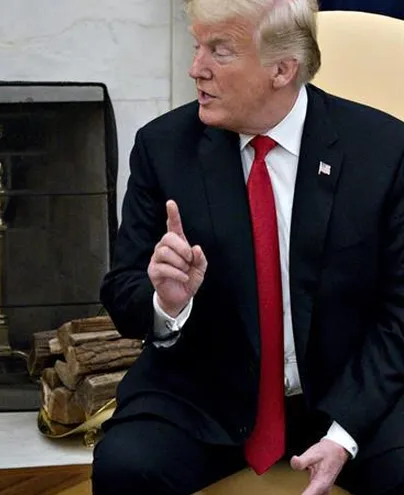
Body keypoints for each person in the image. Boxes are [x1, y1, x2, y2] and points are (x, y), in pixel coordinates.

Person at [92, 0, 404, 494]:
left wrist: (344, 435)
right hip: (205, 393)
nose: (196, 69)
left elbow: (400, 310)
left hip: (349, 389)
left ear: (283, 69)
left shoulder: (383, 150)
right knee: (126, 466)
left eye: (220, 51)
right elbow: (123, 291)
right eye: (197, 46)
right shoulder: (163, 147)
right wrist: (166, 304)